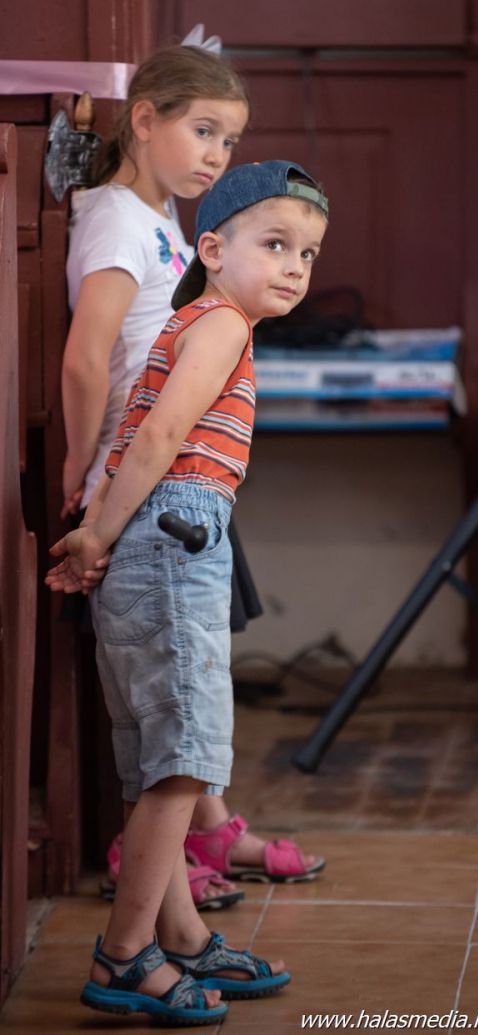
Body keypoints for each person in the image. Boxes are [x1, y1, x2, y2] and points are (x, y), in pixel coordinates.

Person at [46, 158, 329, 1025]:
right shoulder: (222, 325)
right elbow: (162, 433)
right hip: (173, 538)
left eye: (308, 253)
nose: (294, 266)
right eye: (275, 244)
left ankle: (181, 934)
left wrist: (101, 530)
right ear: (211, 249)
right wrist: (97, 533)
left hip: (148, 538)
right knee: (185, 760)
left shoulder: (195, 321)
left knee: (157, 764)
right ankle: (125, 952)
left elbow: (144, 436)